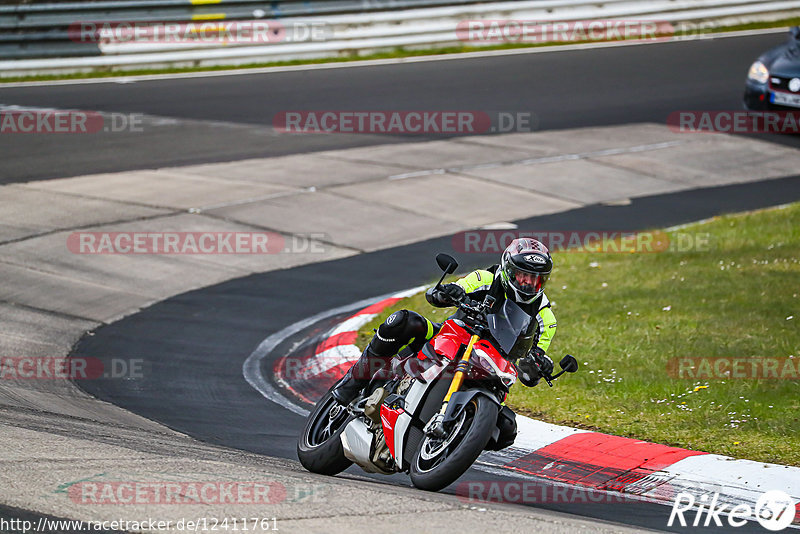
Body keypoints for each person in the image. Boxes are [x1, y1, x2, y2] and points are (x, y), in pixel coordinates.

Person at [331, 238, 557, 405]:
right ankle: (353, 383)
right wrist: (448, 292)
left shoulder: (545, 316)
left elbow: (533, 359)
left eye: (535, 278)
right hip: (453, 336)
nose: (528, 282)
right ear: (509, 270)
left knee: (506, 429)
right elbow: (450, 290)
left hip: (493, 365)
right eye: (522, 275)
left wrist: (539, 364)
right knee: (403, 321)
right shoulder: (486, 278)